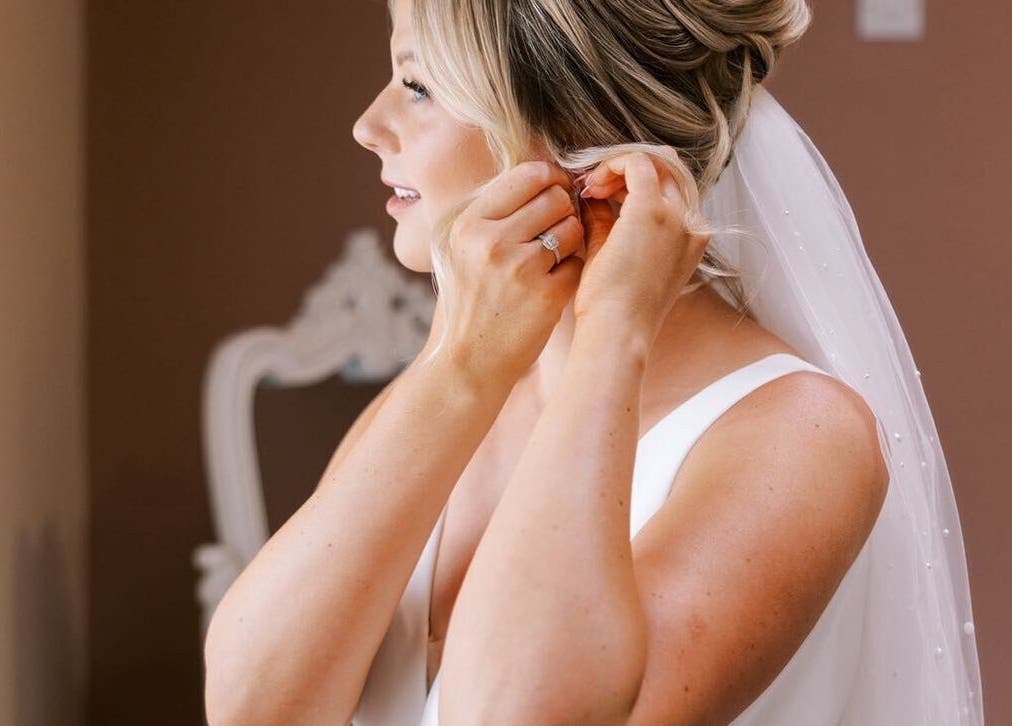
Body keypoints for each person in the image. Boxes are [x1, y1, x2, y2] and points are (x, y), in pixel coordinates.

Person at [202, 0, 984, 724]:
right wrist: (463, 369)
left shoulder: (799, 436)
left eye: (418, 86)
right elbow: (254, 710)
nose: (368, 126)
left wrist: (613, 334)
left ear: (576, 128)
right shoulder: (447, 391)